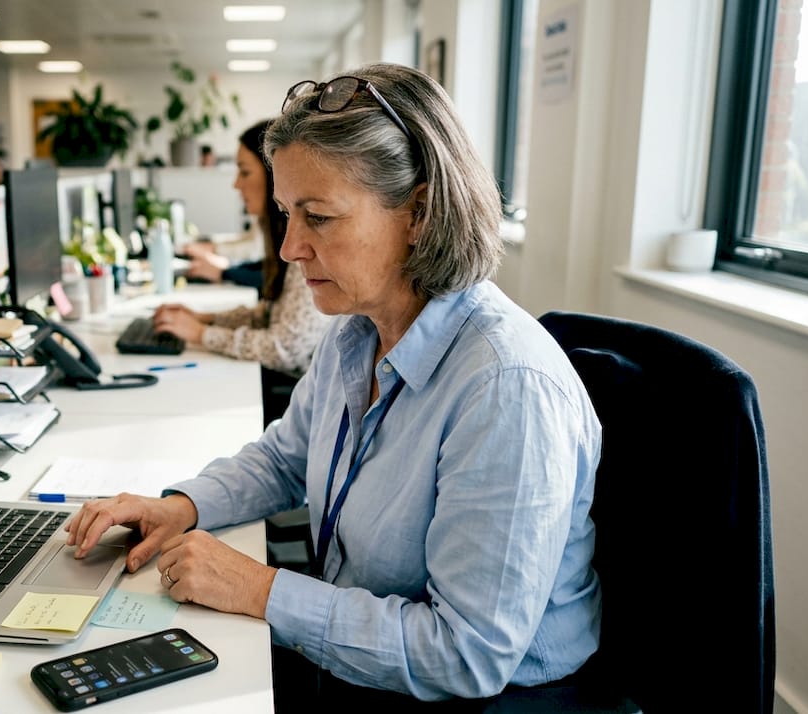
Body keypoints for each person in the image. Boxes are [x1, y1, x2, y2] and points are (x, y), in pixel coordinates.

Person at [67, 63, 603, 707]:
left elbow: (466, 655)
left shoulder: (506, 389)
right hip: (363, 652)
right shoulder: (360, 330)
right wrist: (179, 506)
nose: (291, 247)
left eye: (317, 216)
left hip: (485, 699)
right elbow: (286, 456)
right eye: (287, 213)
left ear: (420, 212)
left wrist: (258, 589)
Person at [150, 119, 333, 382]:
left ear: (274, 178)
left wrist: (202, 334)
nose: (236, 184)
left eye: (245, 172)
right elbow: (268, 315)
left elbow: (284, 348)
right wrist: (206, 319)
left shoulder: (302, 249)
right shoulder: (279, 238)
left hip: (291, 388)